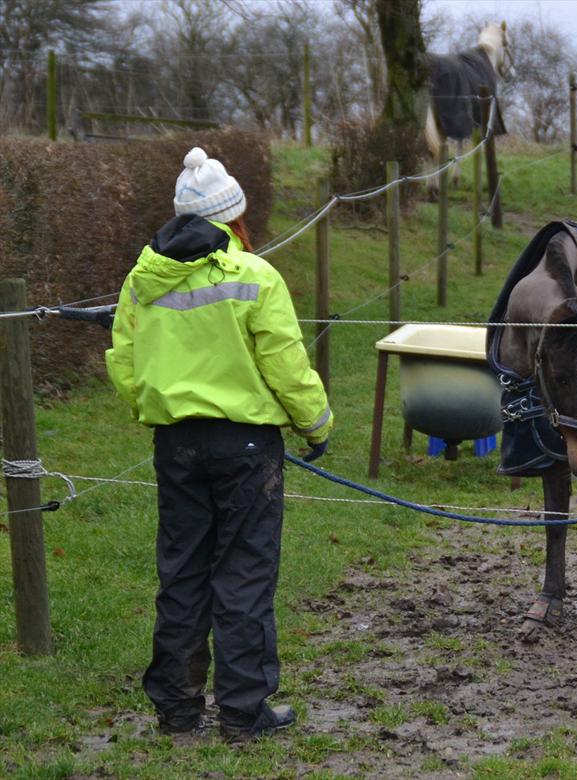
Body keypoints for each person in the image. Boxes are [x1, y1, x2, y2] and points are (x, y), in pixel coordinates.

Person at [105, 147, 333, 742]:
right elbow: (285, 365)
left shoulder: (140, 282)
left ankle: (177, 709)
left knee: (182, 571)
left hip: (175, 443)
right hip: (246, 447)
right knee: (244, 573)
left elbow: (124, 361)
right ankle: (243, 711)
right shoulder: (254, 276)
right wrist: (315, 425)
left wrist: (153, 409)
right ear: (234, 215)